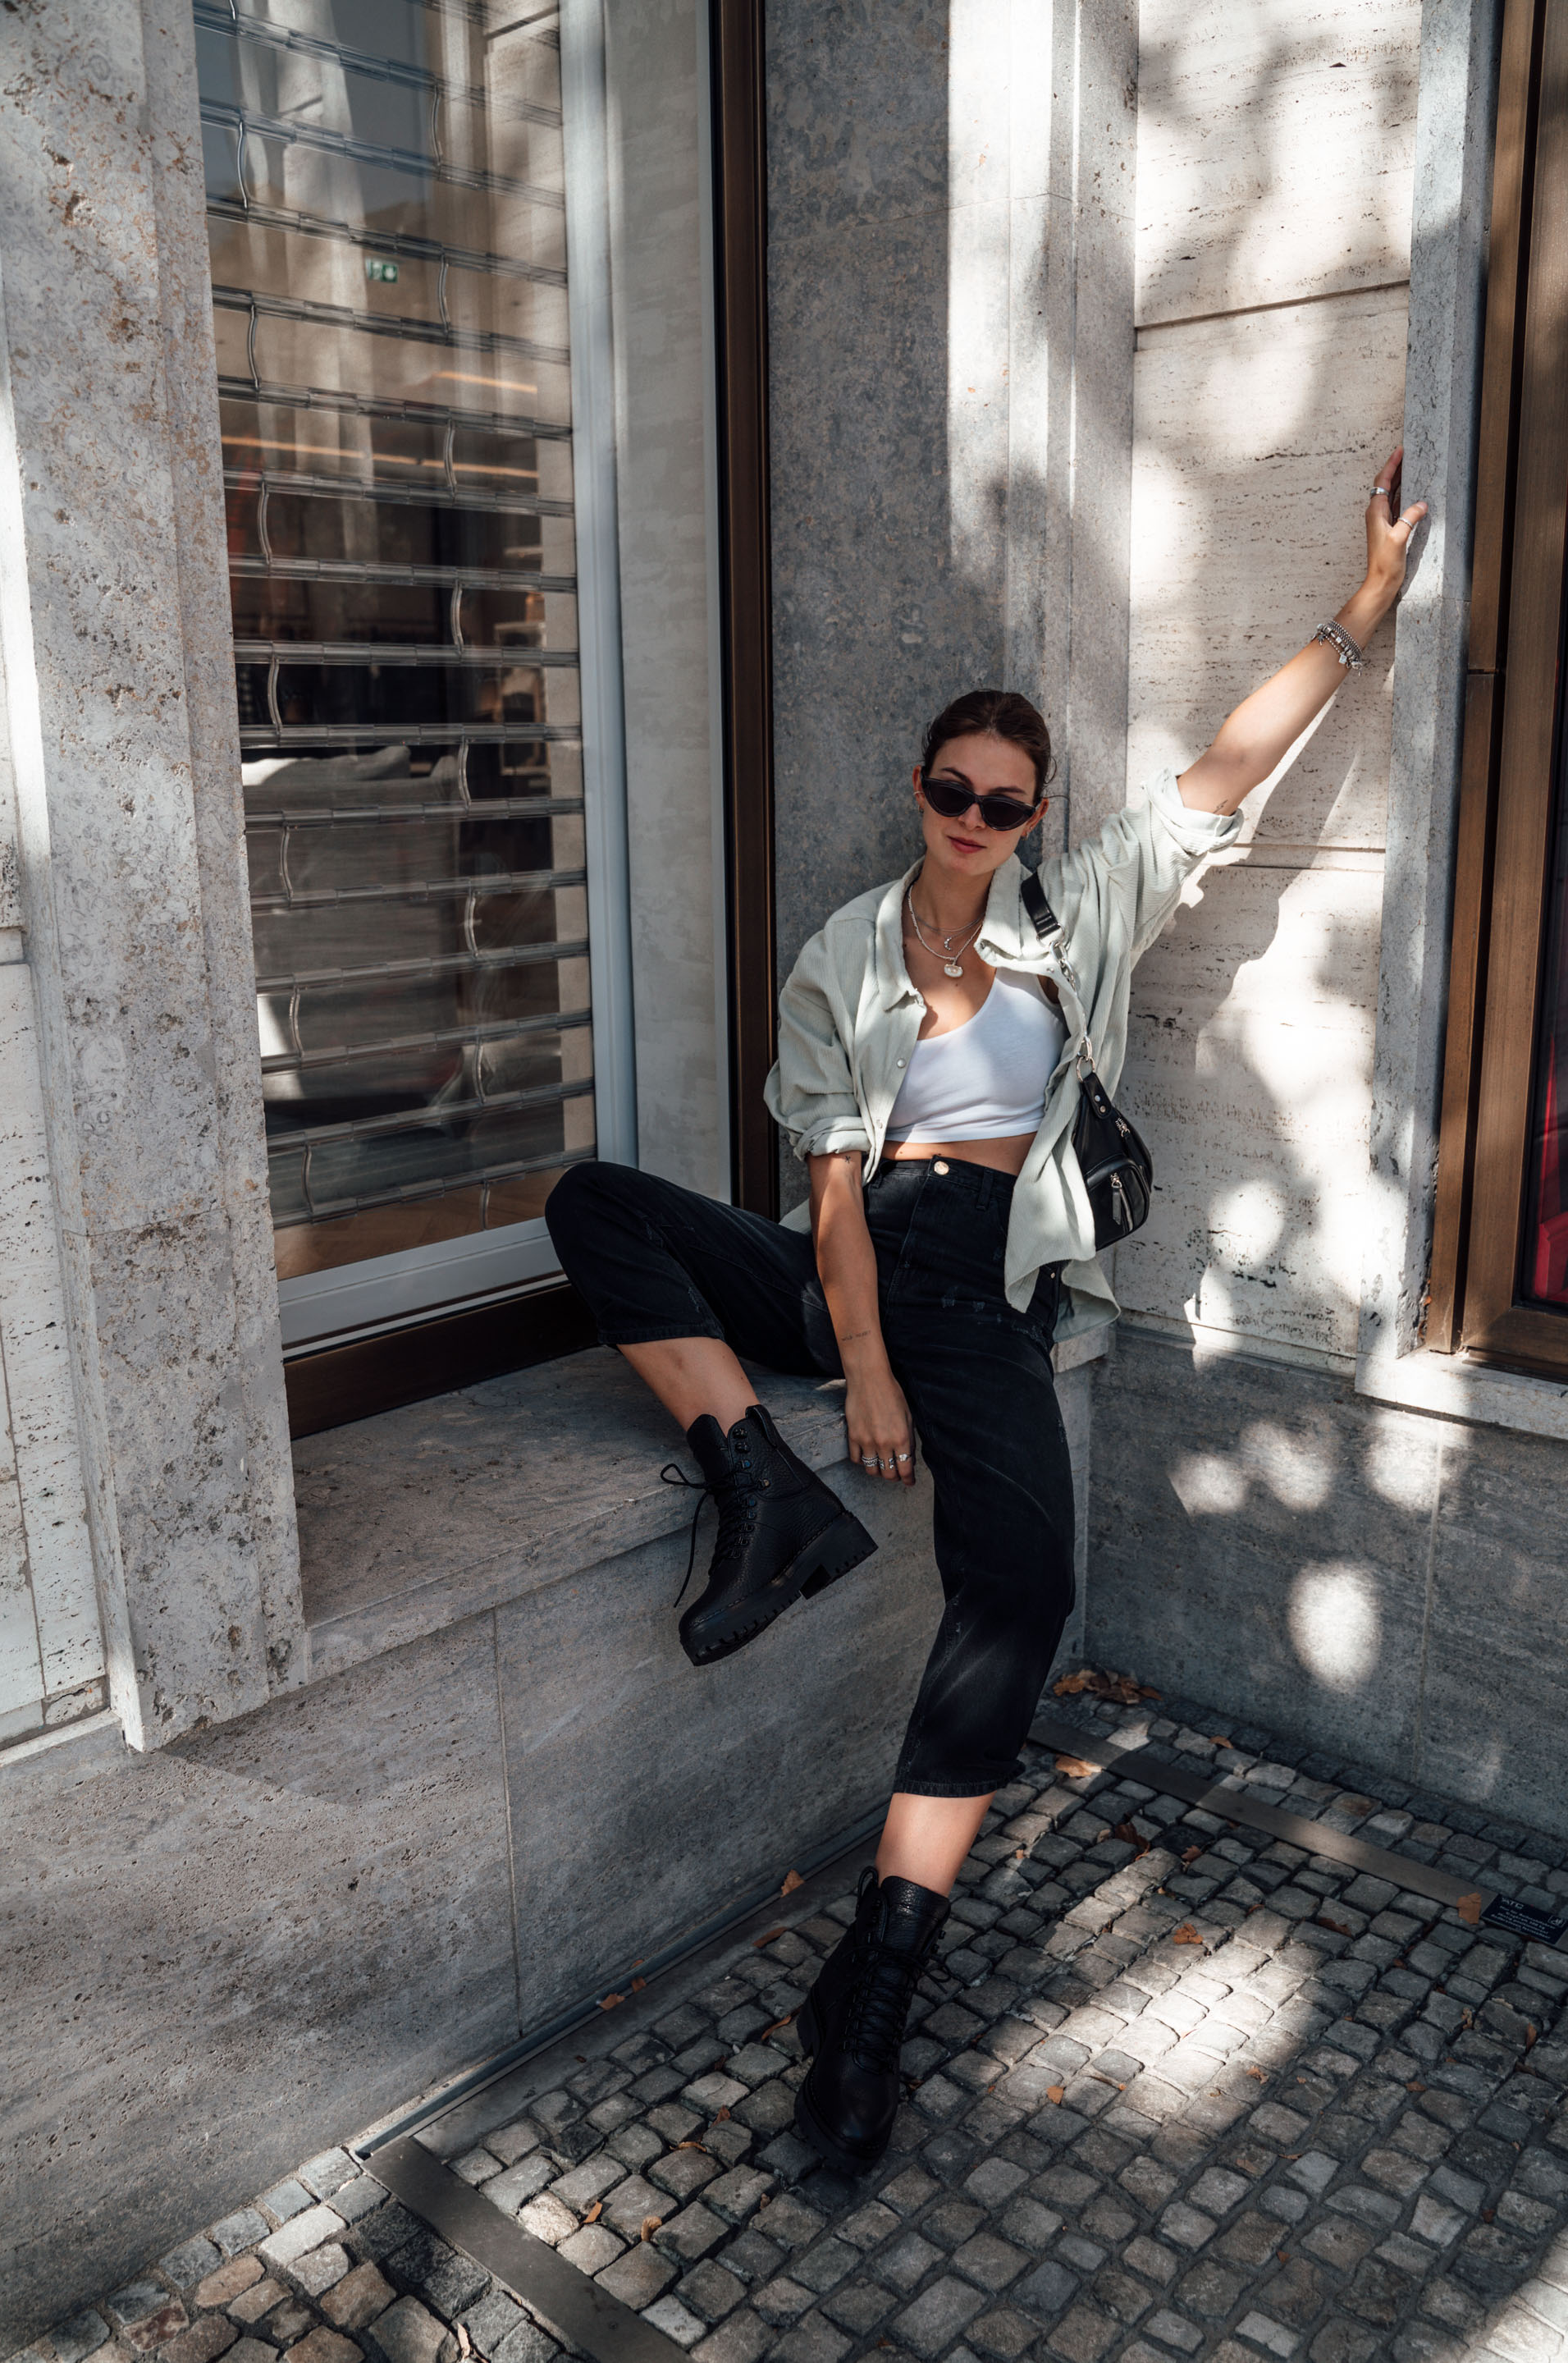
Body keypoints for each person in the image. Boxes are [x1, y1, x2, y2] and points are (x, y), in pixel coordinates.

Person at [545, 454, 1425, 2174]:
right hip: (854, 1261)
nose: (973, 816)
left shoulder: (1072, 919)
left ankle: (880, 1974)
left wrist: (1367, 609)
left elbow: (1225, 775)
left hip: (984, 1289)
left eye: (1006, 799)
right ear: (920, 791)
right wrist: (852, 1357)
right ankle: (758, 1482)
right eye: (953, 788)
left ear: (1037, 817)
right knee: (594, 1206)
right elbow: (825, 1186)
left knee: (1020, 1582)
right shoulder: (846, 953)